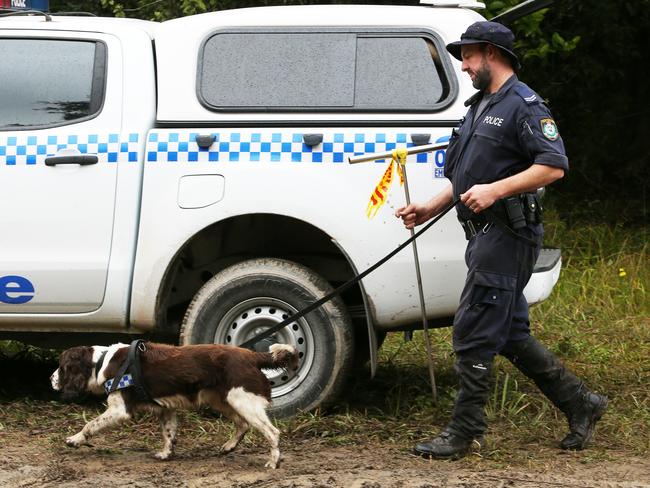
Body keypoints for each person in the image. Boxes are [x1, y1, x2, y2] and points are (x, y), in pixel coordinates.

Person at [395, 21, 607, 459]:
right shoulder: (477, 107)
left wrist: (497, 190)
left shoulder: (524, 105)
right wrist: (429, 206)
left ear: (491, 53)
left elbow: (553, 165)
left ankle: (465, 431)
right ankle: (581, 402)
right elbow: (464, 175)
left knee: (473, 329)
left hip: (509, 235)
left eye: (468, 56)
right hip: (483, 235)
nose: (465, 66)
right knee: (508, 332)